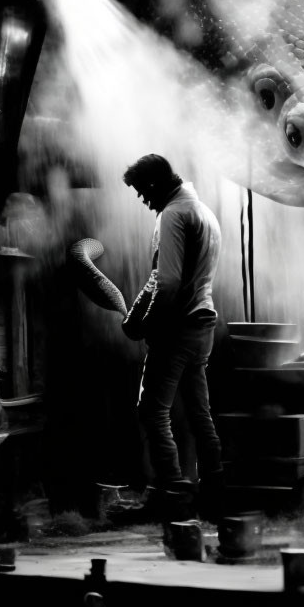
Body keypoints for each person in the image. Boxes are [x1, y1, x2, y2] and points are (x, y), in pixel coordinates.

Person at [122, 153, 225, 520]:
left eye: (141, 192)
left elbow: (166, 282)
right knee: (200, 414)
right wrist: (137, 312)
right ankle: (214, 494)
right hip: (203, 325)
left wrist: (146, 323)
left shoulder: (173, 215)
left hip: (178, 328)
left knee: (152, 412)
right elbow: (162, 277)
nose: (143, 200)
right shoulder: (205, 214)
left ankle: (175, 495)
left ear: (154, 185)